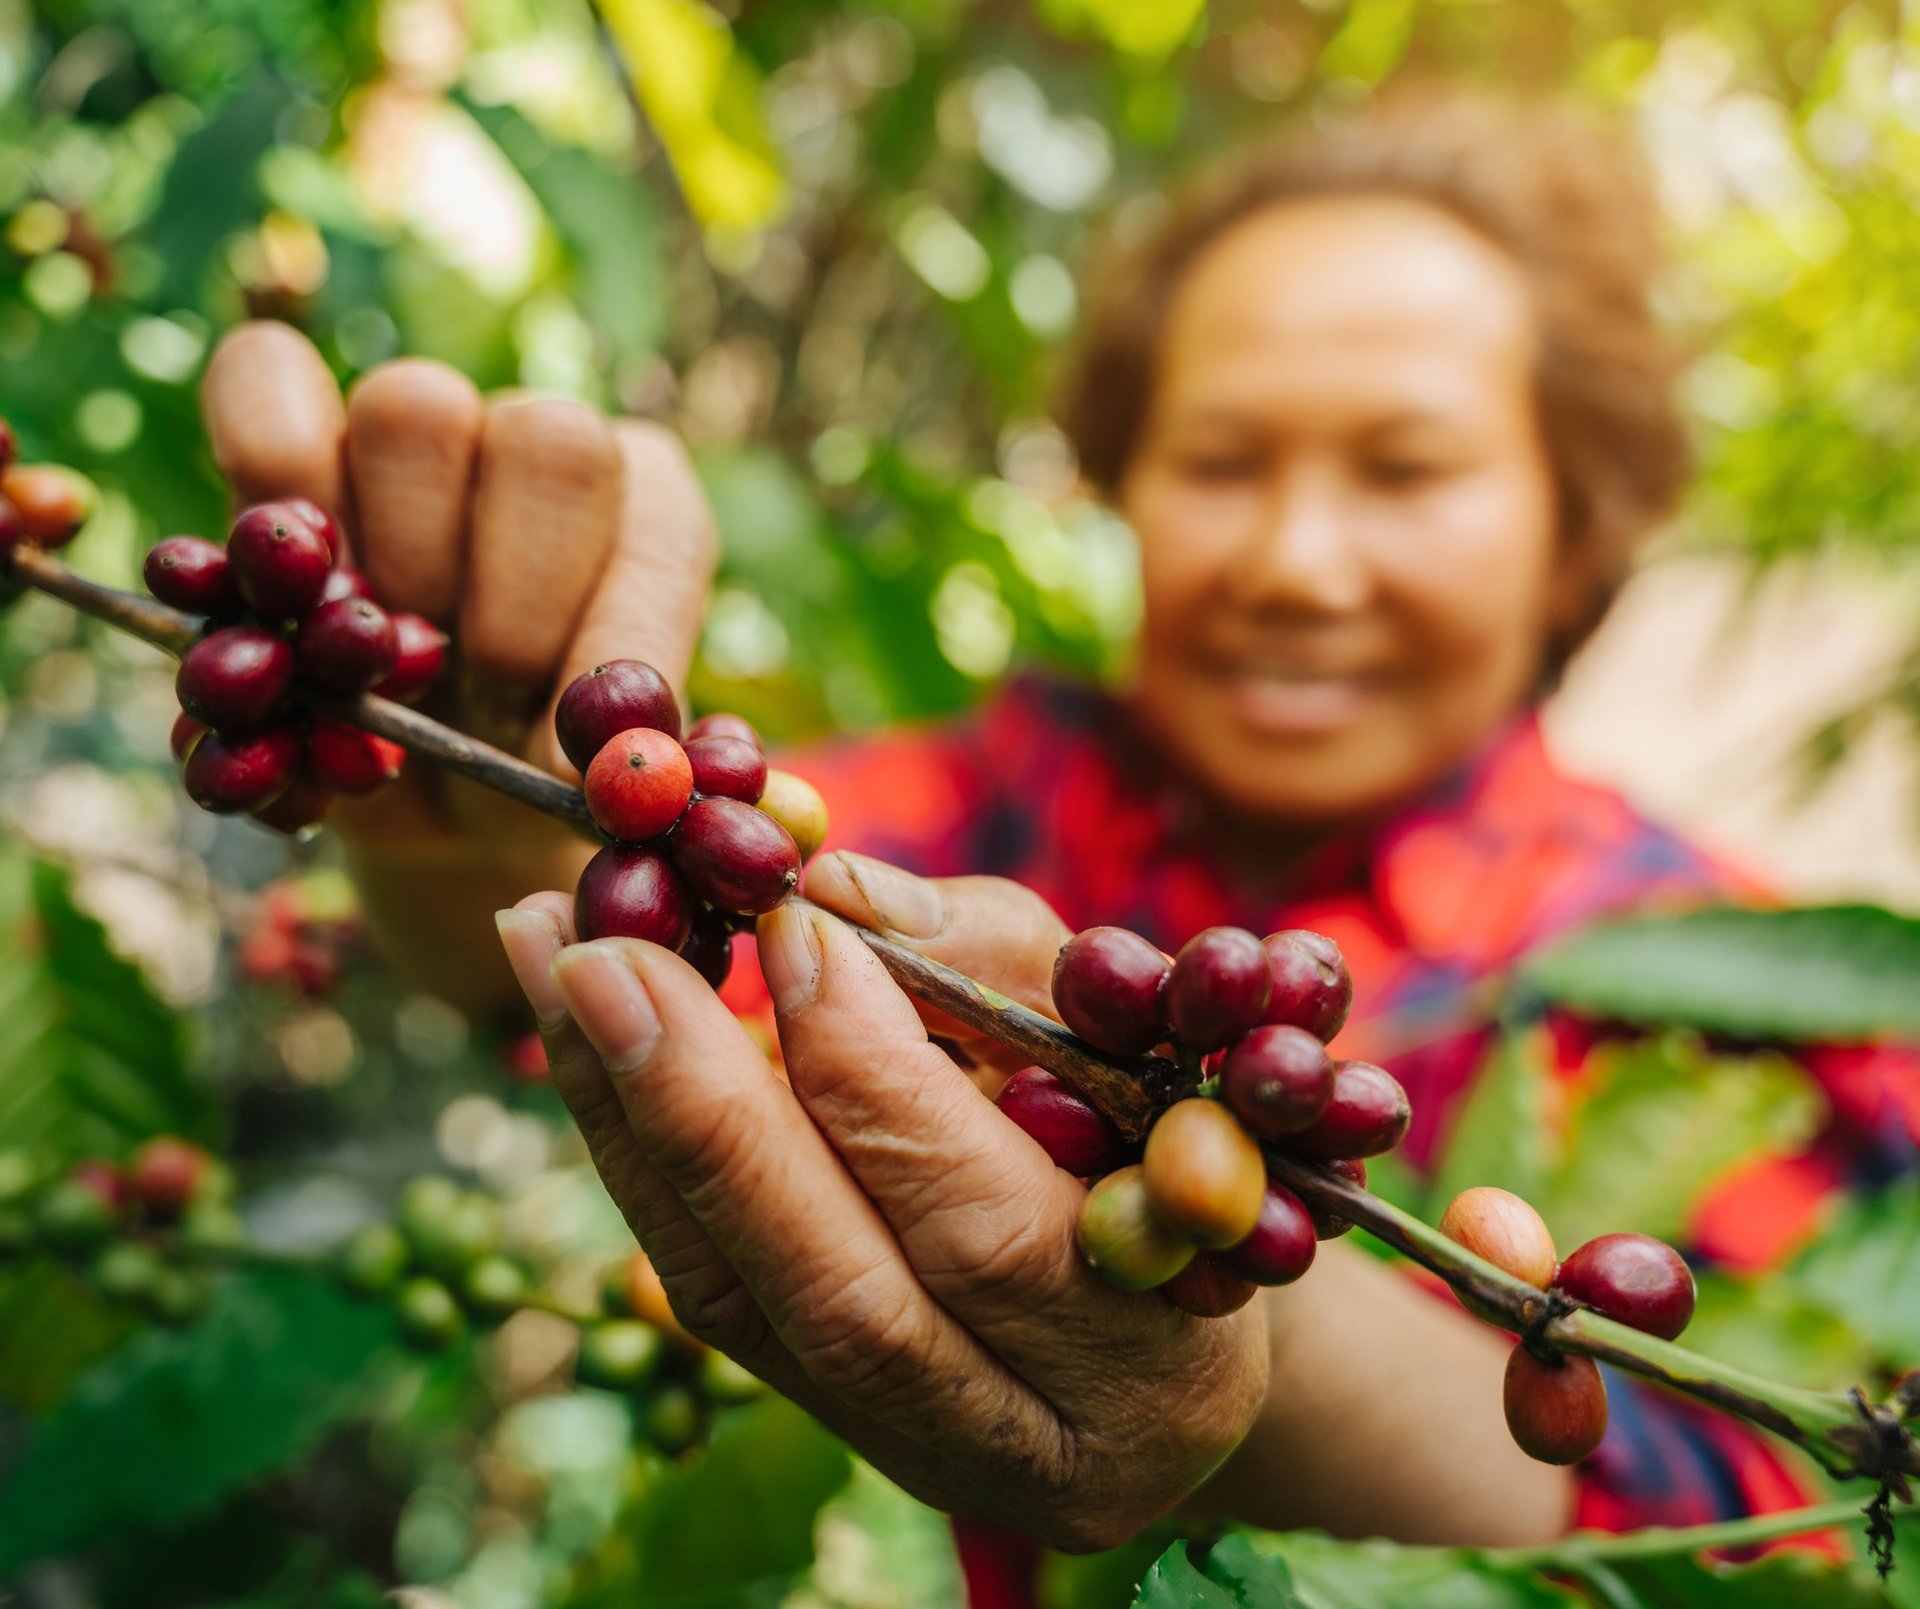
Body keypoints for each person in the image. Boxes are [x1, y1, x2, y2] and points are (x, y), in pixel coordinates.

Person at [197, 90, 1913, 1591]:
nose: (1300, 561)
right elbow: (599, 945)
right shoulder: (1005, 801)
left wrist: (1253, 1310)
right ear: (1123, 480)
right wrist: (453, 793)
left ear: (1570, 529)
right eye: (1224, 458)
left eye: (1406, 470)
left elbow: (1791, 1542)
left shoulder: (1741, 1006)